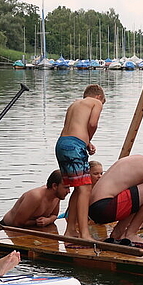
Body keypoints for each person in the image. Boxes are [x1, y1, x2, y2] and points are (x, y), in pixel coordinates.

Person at [56, 84, 105, 239]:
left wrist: (86, 142)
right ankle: (84, 233)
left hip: (62, 144)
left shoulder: (74, 105)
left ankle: (70, 229)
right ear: (99, 97)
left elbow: (71, 128)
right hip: (75, 146)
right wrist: (88, 140)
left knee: (78, 188)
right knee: (85, 189)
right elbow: (92, 124)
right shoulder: (95, 102)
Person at [88, 155, 143, 245]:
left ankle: (118, 232)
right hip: (105, 208)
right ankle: (130, 234)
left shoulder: (139, 161)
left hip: (94, 209)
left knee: (141, 191)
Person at [0, 170, 69, 228]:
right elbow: (17, 223)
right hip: (7, 228)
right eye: (66, 188)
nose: (68, 191)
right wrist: (37, 222)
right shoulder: (35, 197)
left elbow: (54, 215)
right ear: (54, 186)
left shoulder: (57, 196)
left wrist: (48, 220)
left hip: (32, 229)